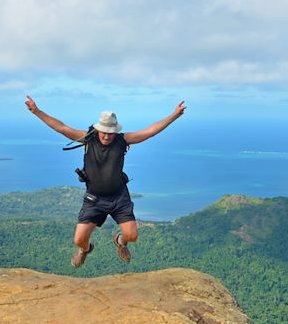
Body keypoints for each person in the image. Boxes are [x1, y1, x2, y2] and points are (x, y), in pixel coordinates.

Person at [25, 95, 186, 268]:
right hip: (94, 198)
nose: (107, 136)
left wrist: (174, 116)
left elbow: (149, 132)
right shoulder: (88, 139)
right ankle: (84, 250)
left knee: (132, 235)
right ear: (98, 129)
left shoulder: (122, 140)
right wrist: (37, 111)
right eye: (104, 132)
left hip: (119, 196)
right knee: (79, 239)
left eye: (111, 133)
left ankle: (120, 241)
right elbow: (61, 127)